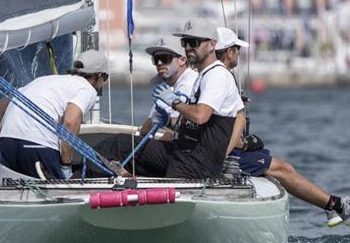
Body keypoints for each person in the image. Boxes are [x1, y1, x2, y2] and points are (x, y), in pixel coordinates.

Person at [216, 28, 350, 227]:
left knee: (275, 161)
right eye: (237, 49)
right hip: (222, 156)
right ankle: (338, 206)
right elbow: (220, 130)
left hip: (220, 150)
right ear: (229, 51)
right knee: (283, 168)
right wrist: (244, 143)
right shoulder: (221, 78)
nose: (239, 53)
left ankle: (333, 207)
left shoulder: (214, 76)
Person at [91, 19, 244, 179]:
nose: (188, 48)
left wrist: (174, 102)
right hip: (181, 152)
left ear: (212, 45)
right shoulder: (203, 75)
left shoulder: (217, 75)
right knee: (120, 145)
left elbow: (201, 115)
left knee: (133, 157)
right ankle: (77, 180)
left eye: (194, 42)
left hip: (197, 162)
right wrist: (168, 121)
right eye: (185, 43)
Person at [0, 49, 108, 179]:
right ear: (99, 76)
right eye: (105, 78)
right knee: (59, 192)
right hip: (38, 144)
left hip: (7, 141)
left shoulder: (43, 80)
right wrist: (66, 165)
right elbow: (70, 122)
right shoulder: (87, 88)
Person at [138, 34, 198, 141]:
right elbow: (144, 131)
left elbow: (172, 132)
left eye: (165, 58)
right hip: (177, 145)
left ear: (182, 60)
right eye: (156, 59)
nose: (159, 63)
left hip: (186, 149)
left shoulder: (189, 84)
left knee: (120, 144)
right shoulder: (167, 88)